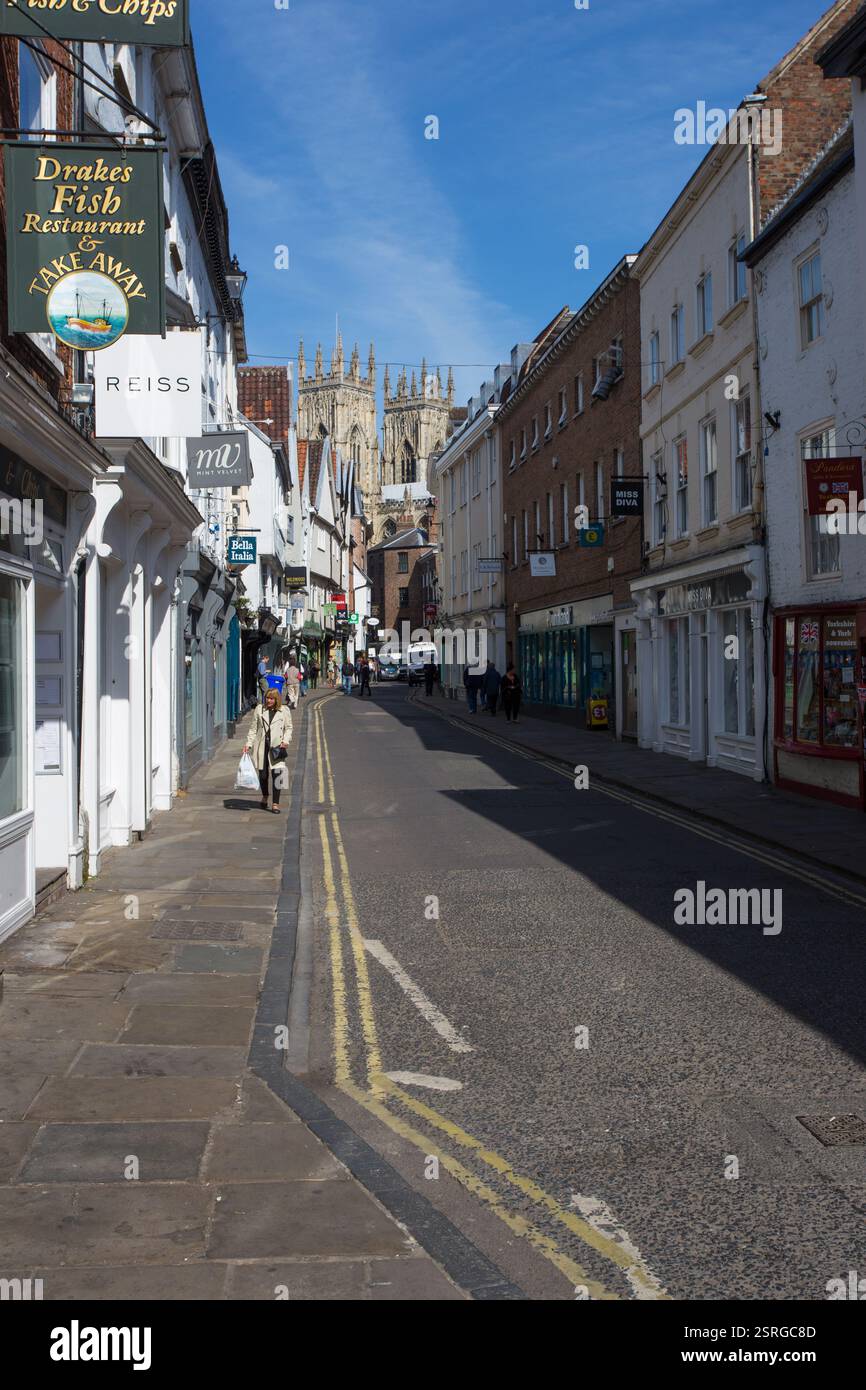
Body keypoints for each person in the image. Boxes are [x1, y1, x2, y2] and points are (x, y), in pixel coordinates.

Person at [243, 687, 292, 814]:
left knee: (278, 775)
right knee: (263, 776)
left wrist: (285, 741)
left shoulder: (284, 710)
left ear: (277, 699)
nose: (269, 700)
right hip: (262, 747)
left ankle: (275, 803)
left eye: (271, 698)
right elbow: (253, 729)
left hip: (277, 747)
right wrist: (248, 744)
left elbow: (289, 728)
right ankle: (265, 796)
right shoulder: (259, 709)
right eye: (267, 698)